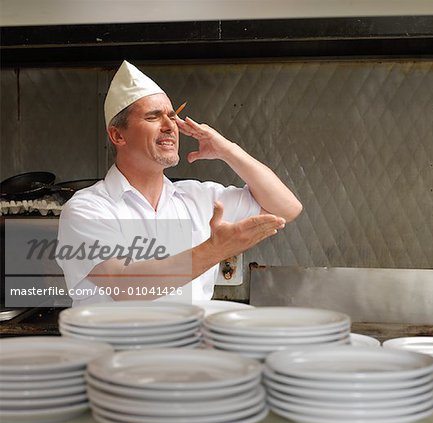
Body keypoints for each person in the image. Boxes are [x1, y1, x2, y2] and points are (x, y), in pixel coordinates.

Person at [57, 60, 302, 306]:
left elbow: (286, 209)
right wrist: (215, 249)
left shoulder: (198, 198)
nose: (170, 126)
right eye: (153, 117)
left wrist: (228, 150)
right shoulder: (87, 209)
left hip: (189, 343)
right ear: (118, 135)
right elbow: (125, 284)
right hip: (117, 345)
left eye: (172, 117)